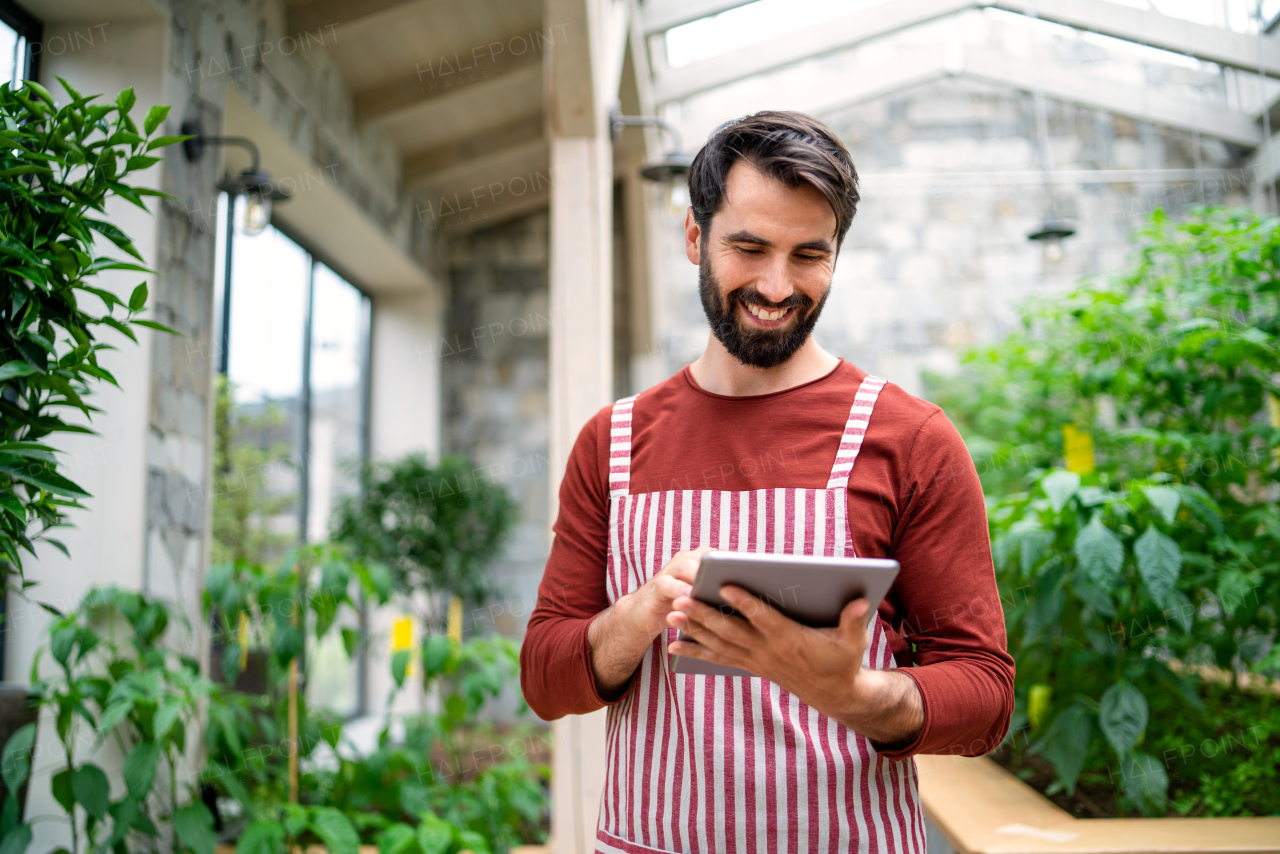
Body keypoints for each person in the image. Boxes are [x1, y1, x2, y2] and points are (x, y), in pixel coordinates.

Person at [520, 110, 1014, 854]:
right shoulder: (611, 443)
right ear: (695, 237)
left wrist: (854, 695)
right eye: (749, 247)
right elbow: (546, 680)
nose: (777, 286)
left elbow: (984, 695)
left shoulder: (909, 439)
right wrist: (646, 609)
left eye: (808, 255)